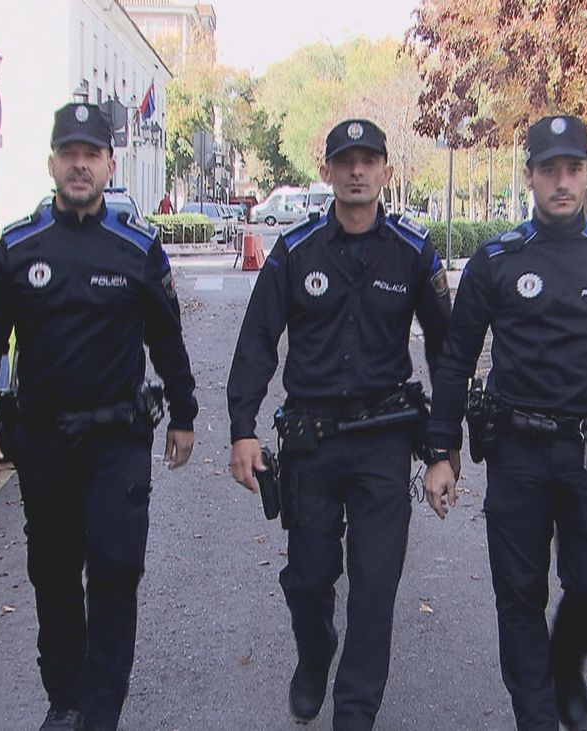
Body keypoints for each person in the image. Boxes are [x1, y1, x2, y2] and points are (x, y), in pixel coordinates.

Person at [422, 114, 587, 731]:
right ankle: (535, 716)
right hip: (518, 453)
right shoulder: (497, 260)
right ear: (529, 175)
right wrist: (440, 450)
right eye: (549, 170)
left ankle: (563, 667)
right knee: (520, 597)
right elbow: (455, 359)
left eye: (574, 169)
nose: (562, 182)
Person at [0, 102, 197, 731]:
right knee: (55, 572)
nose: (80, 165)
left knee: (116, 568)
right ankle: (64, 698)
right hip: (43, 441)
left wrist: (184, 413)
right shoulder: (17, 248)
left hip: (116, 438)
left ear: (109, 164)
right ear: (52, 163)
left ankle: (99, 710)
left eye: (92, 154)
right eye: (70, 154)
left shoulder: (137, 249)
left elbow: (166, 340)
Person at [226, 118, 451, 730]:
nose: (357, 170)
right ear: (326, 170)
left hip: (382, 441)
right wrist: (242, 429)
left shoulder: (413, 251)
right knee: (308, 579)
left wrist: (441, 450)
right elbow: (256, 342)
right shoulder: (295, 251)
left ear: (384, 170)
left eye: (368, 159)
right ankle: (314, 652)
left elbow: (445, 351)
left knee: (375, 588)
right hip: (312, 442)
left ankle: (354, 713)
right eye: (345, 160)